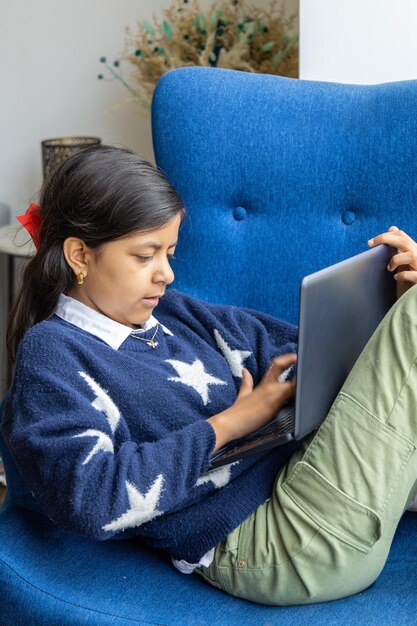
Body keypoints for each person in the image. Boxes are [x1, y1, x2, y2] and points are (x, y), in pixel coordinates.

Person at [2, 144, 417, 606]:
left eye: (170, 253)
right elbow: (93, 498)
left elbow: (311, 357)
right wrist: (232, 423)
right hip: (272, 544)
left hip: (307, 478)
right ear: (80, 255)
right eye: (145, 256)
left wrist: (388, 310)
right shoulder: (55, 355)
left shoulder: (174, 315)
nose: (166, 275)